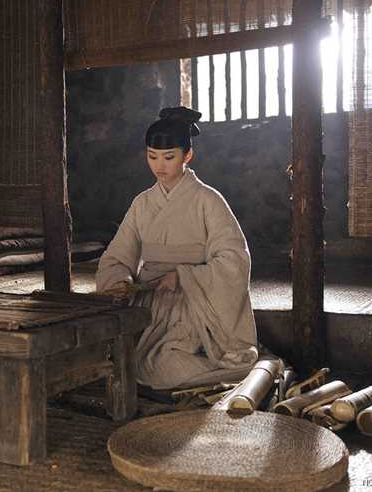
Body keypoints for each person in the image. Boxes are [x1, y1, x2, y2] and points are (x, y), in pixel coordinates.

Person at [96, 107, 258, 390]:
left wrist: (184, 276)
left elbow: (234, 259)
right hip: (149, 302)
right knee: (125, 359)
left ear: (188, 156)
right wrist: (120, 280)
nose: (160, 165)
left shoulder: (209, 200)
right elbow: (118, 255)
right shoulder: (142, 204)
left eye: (169, 157)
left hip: (194, 302)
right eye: (152, 156)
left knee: (164, 367)